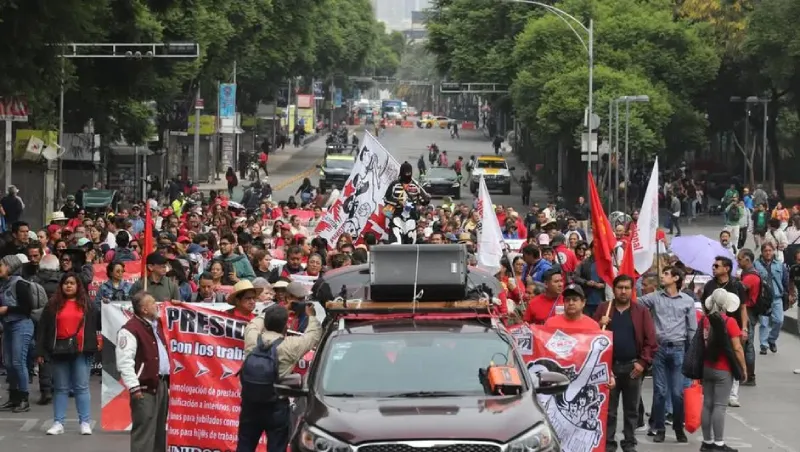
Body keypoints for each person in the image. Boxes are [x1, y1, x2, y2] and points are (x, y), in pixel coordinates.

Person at [238, 300, 322, 452]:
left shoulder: (252, 338)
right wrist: (311, 316)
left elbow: (254, 322)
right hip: (276, 408)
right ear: (286, 325)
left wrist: (279, 309)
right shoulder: (290, 346)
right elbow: (314, 335)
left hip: (250, 407)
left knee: (244, 446)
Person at [595, 274, 658, 452]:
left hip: (633, 368)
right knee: (609, 411)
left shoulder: (641, 312)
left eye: (627, 288)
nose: (623, 291)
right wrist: (599, 323)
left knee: (632, 411)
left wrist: (642, 363)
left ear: (632, 290)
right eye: (619, 287)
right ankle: (608, 445)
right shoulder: (603, 309)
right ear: (613, 290)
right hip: (609, 368)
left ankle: (629, 444)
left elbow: (651, 341)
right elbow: (591, 336)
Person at [637, 266, 696, 443]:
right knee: (660, 392)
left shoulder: (687, 301)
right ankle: (659, 428)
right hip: (659, 350)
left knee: (678, 393)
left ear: (676, 278)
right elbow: (635, 302)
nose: (663, 277)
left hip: (679, 348)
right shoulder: (655, 297)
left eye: (666, 274)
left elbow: (692, 328)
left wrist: (692, 352)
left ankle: (678, 427)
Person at [36, 272, 98, 435]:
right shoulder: (52, 305)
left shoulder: (88, 305)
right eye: (66, 283)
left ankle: (85, 422)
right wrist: (41, 351)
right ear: (61, 286)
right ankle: (58, 423)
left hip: (81, 351)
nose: (69, 286)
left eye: (72, 283)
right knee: (60, 388)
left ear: (78, 286)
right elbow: (43, 329)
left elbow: (95, 327)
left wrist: (92, 348)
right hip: (59, 351)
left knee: (81, 387)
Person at [116, 292, 172, 452]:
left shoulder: (156, 325)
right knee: (144, 432)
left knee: (159, 430)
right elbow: (125, 362)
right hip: (144, 387)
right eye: (153, 303)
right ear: (144, 309)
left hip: (161, 383)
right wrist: (134, 387)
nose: (157, 305)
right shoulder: (130, 330)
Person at [699, 289, 747, 452]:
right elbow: (737, 348)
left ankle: (706, 442)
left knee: (707, 405)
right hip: (723, 369)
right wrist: (743, 368)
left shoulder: (705, 320)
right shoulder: (729, 322)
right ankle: (719, 444)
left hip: (707, 367)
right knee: (719, 406)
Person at [0, 253, 35, 412]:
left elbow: (27, 308)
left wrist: (7, 309)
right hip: (8, 325)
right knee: (8, 363)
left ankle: (23, 398)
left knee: (18, 362)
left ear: (10, 267)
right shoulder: (3, 284)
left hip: (21, 325)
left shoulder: (20, 284)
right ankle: (13, 396)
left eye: (2, 264)